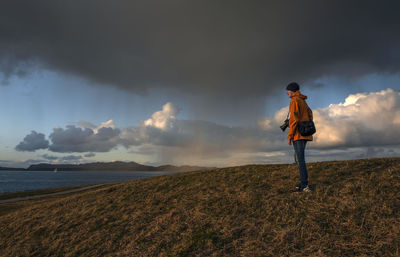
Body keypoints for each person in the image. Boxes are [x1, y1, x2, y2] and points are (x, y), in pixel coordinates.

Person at [286, 82, 313, 192]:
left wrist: (290, 135)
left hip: (298, 134)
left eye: (287, 91)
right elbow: (310, 115)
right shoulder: (303, 101)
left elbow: (293, 120)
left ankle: (305, 186)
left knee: (300, 160)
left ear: (292, 91)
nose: (287, 93)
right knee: (300, 159)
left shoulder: (294, 101)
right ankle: (303, 183)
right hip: (305, 133)